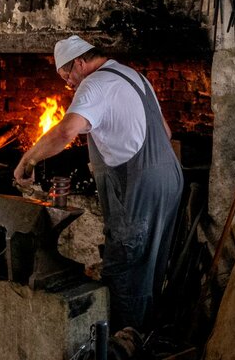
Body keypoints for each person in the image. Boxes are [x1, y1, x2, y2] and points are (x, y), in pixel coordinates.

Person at [14, 36, 182, 331]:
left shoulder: (95, 84)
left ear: (80, 62)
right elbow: (165, 133)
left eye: (67, 75)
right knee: (151, 263)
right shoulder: (134, 76)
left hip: (139, 185)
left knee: (125, 263)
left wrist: (28, 159)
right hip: (169, 178)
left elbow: (66, 131)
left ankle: (121, 344)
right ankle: (146, 337)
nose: (68, 84)